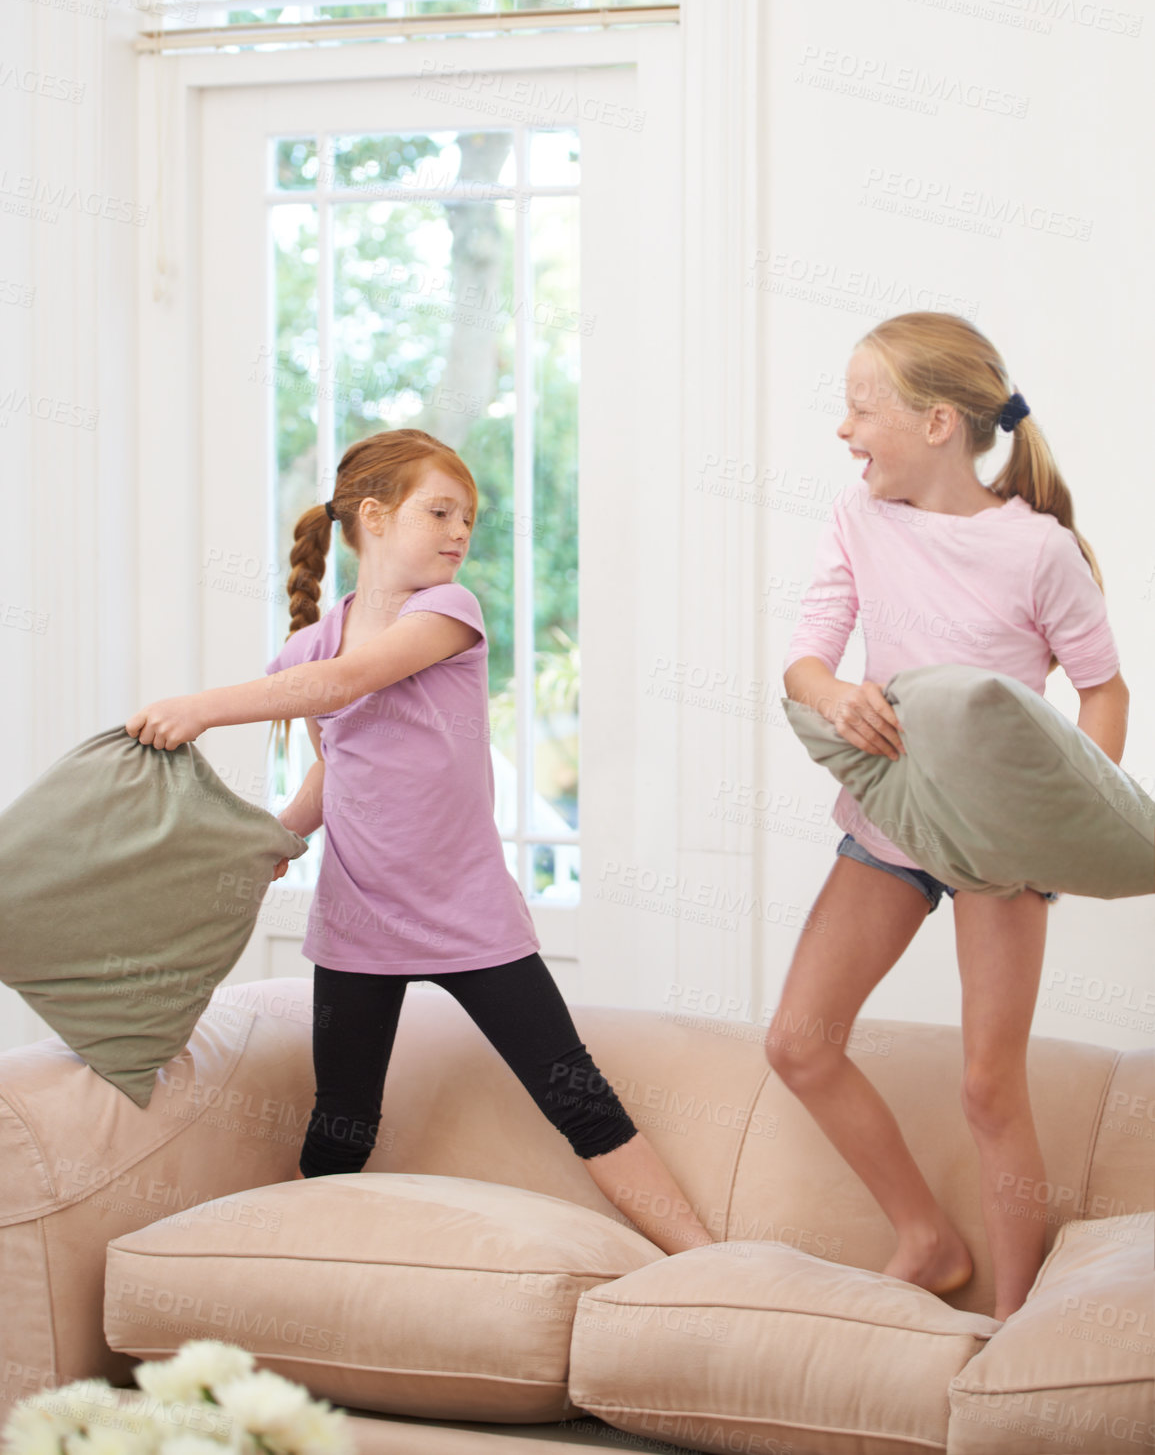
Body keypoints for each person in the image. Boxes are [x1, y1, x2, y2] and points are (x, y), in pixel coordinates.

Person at [126, 428, 714, 1257]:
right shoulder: (306, 647)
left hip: (469, 913)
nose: (459, 532)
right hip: (358, 920)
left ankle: (707, 1263)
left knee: (579, 1098)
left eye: (467, 517)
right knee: (340, 1126)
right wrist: (264, 842)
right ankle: (283, 1273)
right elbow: (332, 776)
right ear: (372, 514)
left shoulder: (446, 612)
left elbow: (347, 683)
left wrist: (202, 707)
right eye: (439, 511)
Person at [774, 311, 1128, 1322]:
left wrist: (1064, 817)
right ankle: (927, 1239)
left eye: (860, 407)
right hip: (891, 821)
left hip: (997, 848)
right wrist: (832, 692)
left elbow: (1104, 690)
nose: (845, 429)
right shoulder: (858, 516)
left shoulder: (1038, 552)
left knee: (988, 1086)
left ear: (937, 423)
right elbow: (805, 657)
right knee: (800, 1041)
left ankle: (1014, 1326)